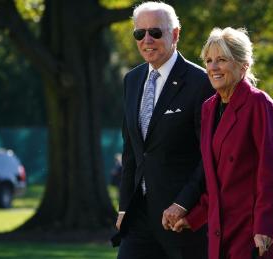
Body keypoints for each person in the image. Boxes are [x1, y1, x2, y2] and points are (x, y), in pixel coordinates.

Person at [172, 27, 273, 259]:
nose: (213, 67)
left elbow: (272, 173)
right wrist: (194, 217)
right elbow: (217, 179)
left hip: (251, 228)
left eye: (222, 60)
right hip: (220, 228)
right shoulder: (209, 108)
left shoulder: (259, 104)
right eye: (209, 60)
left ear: (243, 65)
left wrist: (265, 227)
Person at [113, 2, 214, 259]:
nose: (147, 40)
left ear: (175, 34)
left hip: (182, 219)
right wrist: (125, 206)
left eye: (156, 32)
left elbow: (209, 154)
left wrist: (183, 204)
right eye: (140, 33)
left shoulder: (201, 82)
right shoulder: (132, 80)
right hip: (138, 217)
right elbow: (132, 151)